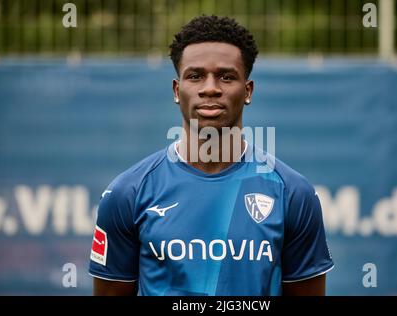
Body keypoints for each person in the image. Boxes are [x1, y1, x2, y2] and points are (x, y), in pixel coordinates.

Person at [89, 15, 333, 296]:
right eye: (195, 76)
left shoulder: (293, 194)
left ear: (248, 91)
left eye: (226, 77)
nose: (210, 88)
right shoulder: (127, 193)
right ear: (177, 91)